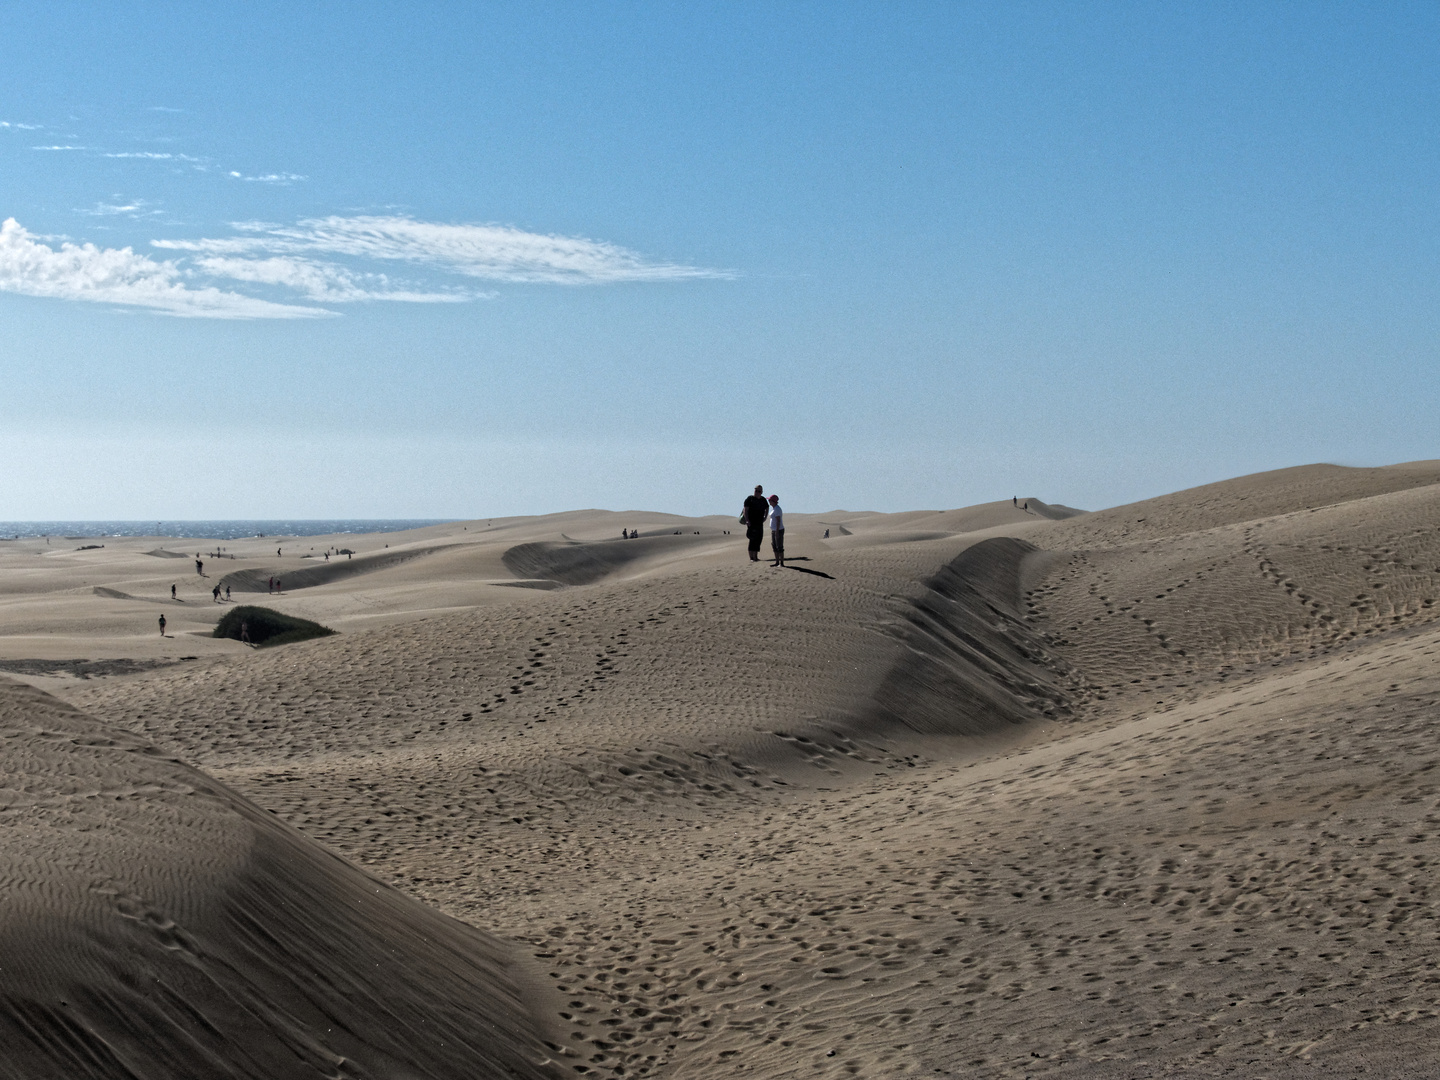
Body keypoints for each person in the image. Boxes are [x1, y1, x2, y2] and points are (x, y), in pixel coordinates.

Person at [741, 484, 769, 562]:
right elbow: (745, 510)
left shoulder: (763, 500)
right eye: (756, 490)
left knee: (759, 539)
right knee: (752, 539)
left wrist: (765, 517)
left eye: (759, 491)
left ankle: (756, 556)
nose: (757, 492)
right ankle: (751, 558)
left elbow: (767, 508)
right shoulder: (750, 499)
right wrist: (747, 520)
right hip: (751, 522)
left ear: (761, 492)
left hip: (759, 522)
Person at [768, 493, 785, 567]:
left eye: (770, 500)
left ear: (773, 501)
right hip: (774, 530)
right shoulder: (774, 509)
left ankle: (781, 563)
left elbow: (778, 521)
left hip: (778, 530)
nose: (769, 501)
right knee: (774, 546)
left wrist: (777, 531)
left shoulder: (777, 509)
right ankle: (777, 562)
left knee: (779, 546)